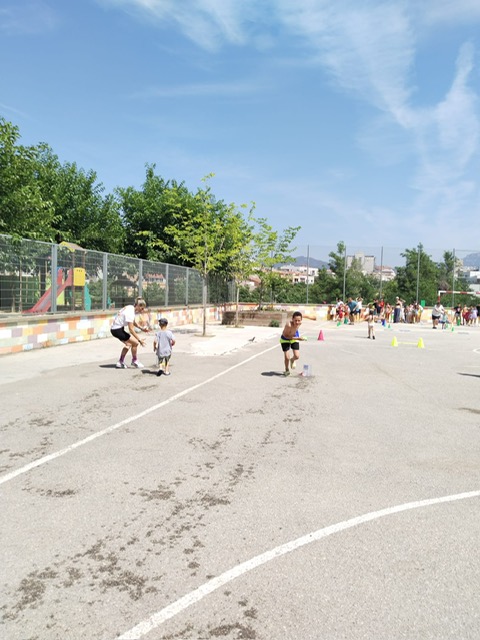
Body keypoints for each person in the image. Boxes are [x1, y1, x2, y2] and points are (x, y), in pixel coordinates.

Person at [110, 297, 148, 368]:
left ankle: (120, 362)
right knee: (135, 343)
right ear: (138, 306)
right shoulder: (130, 312)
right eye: (142, 308)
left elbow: (133, 322)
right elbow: (131, 329)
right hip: (117, 330)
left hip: (115, 329)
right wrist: (139, 340)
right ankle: (134, 361)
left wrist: (141, 328)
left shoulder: (130, 307)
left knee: (129, 344)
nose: (142, 310)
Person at [280, 311, 306, 376]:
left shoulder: (299, 323)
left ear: (301, 320)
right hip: (285, 339)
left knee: (297, 356)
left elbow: (305, 316)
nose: (297, 322)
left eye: (299, 320)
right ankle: (287, 370)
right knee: (287, 357)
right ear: (292, 319)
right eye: (295, 320)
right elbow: (286, 336)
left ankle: (292, 360)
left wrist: (313, 317)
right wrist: (298, 338)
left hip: (294, 337)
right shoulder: (288, 325)